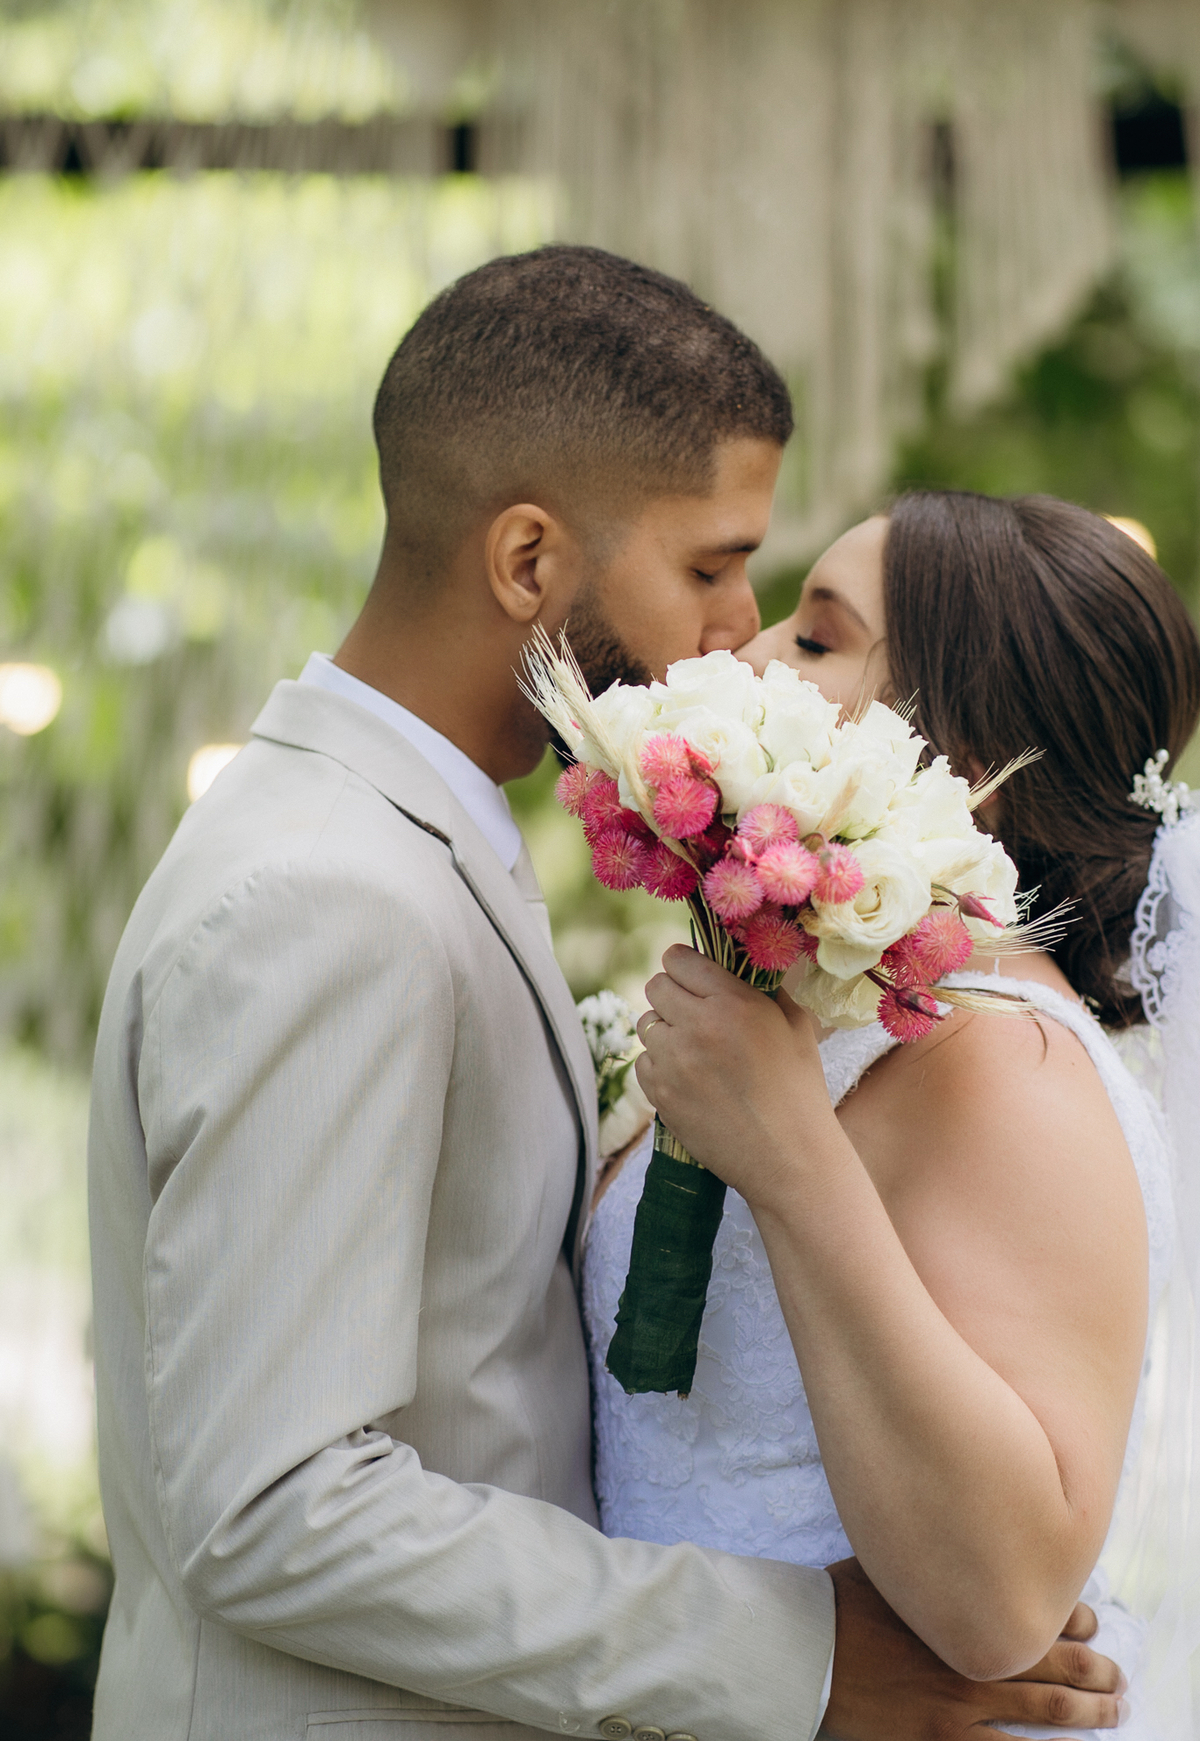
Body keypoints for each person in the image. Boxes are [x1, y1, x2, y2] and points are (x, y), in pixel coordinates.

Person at [89, 253, 1122, 1741]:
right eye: (710, 565)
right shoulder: (328, 894)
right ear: (528, 563)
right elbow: (274, 1505)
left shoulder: (412, 844)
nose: (739, 629)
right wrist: (803, 1657)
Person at [594, 490, 1200, 1739]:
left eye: (816, 639)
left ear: (965, 765)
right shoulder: (845, 1017)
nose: (749, 652)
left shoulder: (1004, 1056)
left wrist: (791, 1157)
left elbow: (999, 1603)